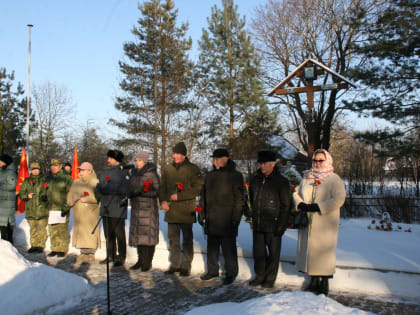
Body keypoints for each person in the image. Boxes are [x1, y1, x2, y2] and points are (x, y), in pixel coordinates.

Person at [293, 149, 346, 296]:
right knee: (310, 251)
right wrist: (300, 203)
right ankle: (314, 280)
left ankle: (324, 282)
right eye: (315, 160)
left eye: (320, 160)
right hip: (308, 222)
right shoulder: (307, 177)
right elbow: (296, 192)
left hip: (325, 223)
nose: (317, 163)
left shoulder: (333, 179)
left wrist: (319, 207)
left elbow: (339, 199)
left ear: (327, 160)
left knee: (323, 253)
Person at [198, 148, 244, 285]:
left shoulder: (235, 176)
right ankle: (212, 271)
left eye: (216, 159)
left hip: (227, 219)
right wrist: (201, 213)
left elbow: (239, 199)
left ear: (225, 159)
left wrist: (236, 218)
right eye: (213, 159)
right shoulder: (210, 175)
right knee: (212, 247)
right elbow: (203, 196)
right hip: (212, 217)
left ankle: (232, 272)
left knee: (229, 248)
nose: (214, 161)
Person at [246, 150, 291, 288]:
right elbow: (249, 199)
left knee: (273, 253)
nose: (262, 166)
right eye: (260, 163)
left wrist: (281, 225)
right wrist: (248, 210)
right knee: (258, 252)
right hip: (258, 223)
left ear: (272, 163)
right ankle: (259, 276)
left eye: (265, 163)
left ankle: (270, 278)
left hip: (274, 223)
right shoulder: (255, 180)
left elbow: (286, 205)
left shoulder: (281, 182)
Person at [159, 142, 203, 276]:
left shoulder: (193, 169)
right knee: (173, 239)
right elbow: (162, 187)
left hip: (186, 210)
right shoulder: (167, 169)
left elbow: (198, 188)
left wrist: (180, 196)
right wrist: (163, 201)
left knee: (187, 240)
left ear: (184, 155)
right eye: (174, 153)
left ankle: (186, 266)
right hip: (171, 211)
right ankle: (174, 264)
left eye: (178, 154)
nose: (175, 156)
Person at [95, 149, 129, 267]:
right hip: (105, 206)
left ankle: (121, 256)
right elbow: (99, 186)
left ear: (116, 159)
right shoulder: (106, 171)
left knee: (119, 233)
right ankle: (110, 255)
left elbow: (126, 189)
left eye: (110, 158)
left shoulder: (125, 171)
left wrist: (110, 190)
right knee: (108, 233)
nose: (108, 160)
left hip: (117, 206)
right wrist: (98, 191)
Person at [128, 151, 160, 271]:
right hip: (136, 208)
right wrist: (130, 193)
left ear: (145, 161)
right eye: (136, 160)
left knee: (148, 237)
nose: (137, 163)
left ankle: (147, 262)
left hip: (148, 209)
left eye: (139, 160)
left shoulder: (152, 173)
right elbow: (130, 187)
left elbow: (157, 191)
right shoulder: (134, 173)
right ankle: (140, 261)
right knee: (139, 237)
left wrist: (143, 192)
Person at [67, 162, 100, 263]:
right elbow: (70, 194)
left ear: (89, 171)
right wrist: (70, 201)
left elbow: (99, 197)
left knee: (90, 232)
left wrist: (89, 199)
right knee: (81, 232)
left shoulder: (96, 182)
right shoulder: (76, 182)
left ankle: (91, 253)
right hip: (78, 212)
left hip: (91, 213)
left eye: (83, 170)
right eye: (80, 170)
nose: (80, 172)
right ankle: (82, 252)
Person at [18, 162, 49, 253]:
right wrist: (27, 196)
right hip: (31, 210)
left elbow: (50, 192)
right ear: (31, 170)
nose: (35, 171)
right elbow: (21, 194)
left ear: (39, 170)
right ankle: (33, 245)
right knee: (33, 229)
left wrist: (46, 196)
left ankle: (40, 246)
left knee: (42, 229)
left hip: (42, 209)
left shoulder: (45, 180)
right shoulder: (26, 181)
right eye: (33, 169)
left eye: (37, 169)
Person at [46, 158, 73, 257]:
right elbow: (45, 188)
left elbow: (71, 193)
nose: (53, 167)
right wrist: (43, 196)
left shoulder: (66, 178)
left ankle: (62, 249)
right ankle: (54, 248)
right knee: (52, 229)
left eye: (56, 165)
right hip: (51, 208)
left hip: (62, 208)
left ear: (60, 166)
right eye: (52, 166)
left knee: (62, 230)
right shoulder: (49, 178)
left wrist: (66, 207)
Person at [0, 154, 17, 244]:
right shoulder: (1, 171)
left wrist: (1, 186)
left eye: (1, 162)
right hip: (1, 203)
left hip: (8, 203)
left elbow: (12, 186)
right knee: (2, 226)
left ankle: (9, 245)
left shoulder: (11, 173)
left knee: (7, 226)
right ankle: (4, 245)